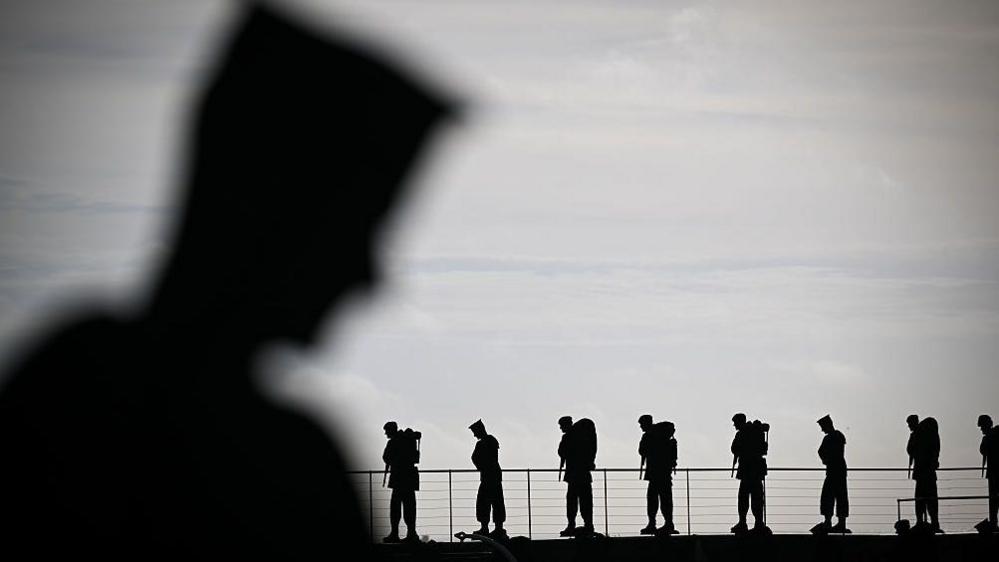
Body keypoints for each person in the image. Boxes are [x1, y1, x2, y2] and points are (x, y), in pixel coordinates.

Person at [0, 4, 451, 560]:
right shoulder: (287, 465)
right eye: (351, 233)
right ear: (270, 222)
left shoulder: (68, 394)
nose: (367, 279)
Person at [638, 415, 678, 535]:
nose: (641, 427)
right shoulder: (663, 436)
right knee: (665, 498)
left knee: (652, 499)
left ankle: (653, 524)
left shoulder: (649, 436)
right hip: (665, 472)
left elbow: (642, 451)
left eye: (641, 424)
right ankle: (668, 523)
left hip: (655, 472)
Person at [558, 416, 597, 537]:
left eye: (562, 426)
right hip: (582, 473)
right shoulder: (580, 436)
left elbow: (561, 452)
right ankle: (588, 525)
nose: (561, 428)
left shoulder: (569, 437)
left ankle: (573, 525)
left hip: (575, 474)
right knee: (584, 501)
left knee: (573, 501)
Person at [382, 422, 422, 543]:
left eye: (387, 431)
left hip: (399, 477)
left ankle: (395, 534)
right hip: (409, 477)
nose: (386, 434)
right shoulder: (408, 439)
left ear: (391, 430)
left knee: (395, 507)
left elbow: (386, 457)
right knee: (410, 506)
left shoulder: (394, 442)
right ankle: (411, 533)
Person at [730, 413, 769, 534]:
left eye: (735, 423)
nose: (734, 425)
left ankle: (745, 523)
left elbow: (734, 448)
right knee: (756, 496)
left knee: (744, 497)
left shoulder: (742, 433)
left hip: (748, 469)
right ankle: (758, 523)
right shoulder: (755, 431)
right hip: (755, 469)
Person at [811, 415, 849, 534]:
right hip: (839, 469)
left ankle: (829, 521)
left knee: (829, 495)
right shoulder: (839, 436)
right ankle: (839, 522)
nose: (822, 430)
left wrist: (826, 460)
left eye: (822, 427)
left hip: (834, 469)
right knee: (840, 495)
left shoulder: (831, 437)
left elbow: (821, 451)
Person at [469, 420, 506, 538]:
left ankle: (487, 528)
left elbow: (475, 458)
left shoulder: (484, 443)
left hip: (488, 476)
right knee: (496, 501)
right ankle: (497, 528)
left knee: (485, 502)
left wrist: (481, 467)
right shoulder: (491, 441)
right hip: (493, 475)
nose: (474, 435)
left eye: (475, 432)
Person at [908, 416, 942, 533]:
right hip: (925, 472)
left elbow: (910, 450)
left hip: (924, 471)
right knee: (924, 499)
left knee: (925, 499)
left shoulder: (922, 435)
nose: (909, 427)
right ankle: (926, 522)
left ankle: (929, 522)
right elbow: (910, 450)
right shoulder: (919, 435)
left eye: (910, 424)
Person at [975, 414, 999, 533]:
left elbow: (983, 449)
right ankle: (994, 523)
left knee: (994, 500)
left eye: (982, 426)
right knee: (993, 501)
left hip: (995, 473)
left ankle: (994, 523)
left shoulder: (992, 436)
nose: (981, 429)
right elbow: (983, 450)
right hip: (993, 473)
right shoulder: (992, 436)